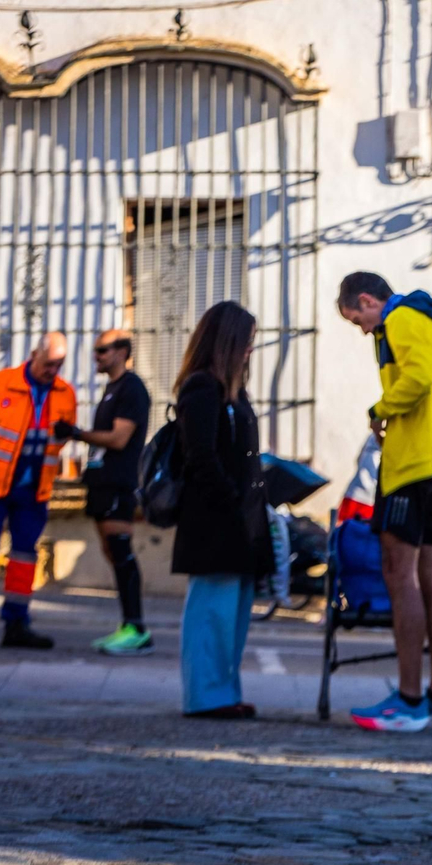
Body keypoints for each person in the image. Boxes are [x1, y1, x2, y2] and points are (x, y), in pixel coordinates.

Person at [336, 272, 432, 732]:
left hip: (410, 464)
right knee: (430, 575)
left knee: (400, 575)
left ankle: (409, 700)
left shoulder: (400, 319)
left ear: (369, 300)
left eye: (359, 321)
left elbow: (418, 377)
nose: (364, 332)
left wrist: (379, 410)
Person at [173, 302, 271, 720]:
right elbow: (201, 455)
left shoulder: (232, 391)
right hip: (216, 519)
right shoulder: (201, 389)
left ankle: (222, 691)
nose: (250, 350)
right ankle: (206, 695)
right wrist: (231, 499)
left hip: (238, 519)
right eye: (246, 342)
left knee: (231, 614)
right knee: (211, 611)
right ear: (228, 342)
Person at [0, 332, 78, 649]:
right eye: (49, 363)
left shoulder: (65, 394)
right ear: (33, 354)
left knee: (25, 558)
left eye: (59, 364)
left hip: (33, 490)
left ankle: (16, 624)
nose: (53, 370)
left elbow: (61, 439)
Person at [55, 329, 152, 655]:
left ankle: (136, 628)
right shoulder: (112, 389)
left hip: (118, 481)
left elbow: (119, 439)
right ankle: (128, 625)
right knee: (112, 551)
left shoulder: (132, 388)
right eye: (95, 351)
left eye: (103, 350)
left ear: (122, 351)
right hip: (101, 480)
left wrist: (77, 433)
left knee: (121, 549)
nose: (97, 356)